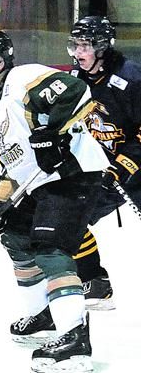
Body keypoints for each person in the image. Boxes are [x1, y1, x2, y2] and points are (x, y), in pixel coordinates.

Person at [0, 30, 108, 373]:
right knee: (15, 235)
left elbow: (77, 92)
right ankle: (44, 314)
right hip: (41, 184)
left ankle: (75, 339)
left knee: (50, 247)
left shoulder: (23, 78)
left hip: (76, 175)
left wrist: (50, 136)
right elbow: (12, 170)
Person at [66, 16, 141, 311]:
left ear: (102, 47)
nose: (78, 52)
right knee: (69, 218)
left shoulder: (132, 79)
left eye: (85, 46)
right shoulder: (77, 79)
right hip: (107, 172)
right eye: (75, 45)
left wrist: (124, 165)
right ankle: (95, 282)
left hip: (132, 166)